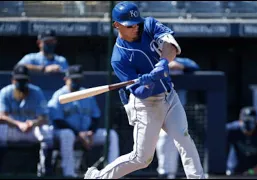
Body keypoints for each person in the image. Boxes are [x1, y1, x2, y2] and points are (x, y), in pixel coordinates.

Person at [84, 1, 204, 179]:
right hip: (145, 105)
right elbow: (139, 93)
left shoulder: (148, 24)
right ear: (116, 25)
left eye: (136, 24)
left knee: (184, 138)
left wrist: (162, 64)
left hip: (169, 96)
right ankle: (99, 177)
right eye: (129, 26)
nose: (135, 29)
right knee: (141, 158)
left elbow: (171, 47)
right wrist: (148, 81)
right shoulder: (119, 58)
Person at [47, 65, 120, 177]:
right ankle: (69, 174)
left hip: (86, 134)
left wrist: (91, 132)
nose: (76, 82)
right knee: (67, 135)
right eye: (73, 79)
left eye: (78, 79)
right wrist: (79, 134)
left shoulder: (87, 94)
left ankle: (112, 174)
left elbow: (96, 116)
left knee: (111, 135)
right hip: (65, 133)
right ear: (66, 79)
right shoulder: (59, 95)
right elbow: (57, 121)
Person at [0, 64, 53, 175]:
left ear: (28, 80)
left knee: (47, 130)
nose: (21, 83)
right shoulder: (5, 92)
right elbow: (2, 116)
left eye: (23, 80)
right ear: (13, 80)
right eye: (18, 80)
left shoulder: (36, 92)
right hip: (13, 129)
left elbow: (44, 118)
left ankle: (45, 171)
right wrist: (18, 124)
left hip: (31, 130)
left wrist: (33, 123)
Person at [156, 57, 200, 179]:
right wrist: (164, 66)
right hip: (158, 106)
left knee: (176, 140)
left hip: (178, 108)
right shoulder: (154, 59)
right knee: (164, 138)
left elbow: (195, 66)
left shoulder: (182, 61)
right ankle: (164, 172)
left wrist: (179, 65)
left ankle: (170, 174)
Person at [226, 107, 257, 176]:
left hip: (254, 173)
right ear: (240, 121)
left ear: (256, 122)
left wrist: (250, 172)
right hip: (233, 172)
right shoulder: (232, 130)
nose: (248, 132)